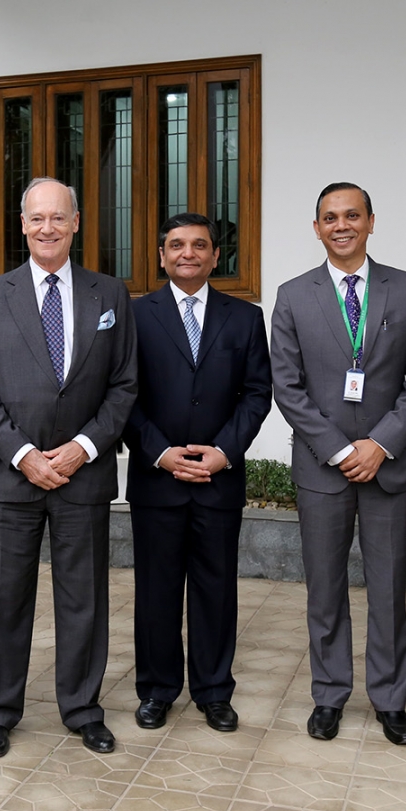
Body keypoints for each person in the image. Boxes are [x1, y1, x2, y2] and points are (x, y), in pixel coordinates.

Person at [0, 177, 138, 758]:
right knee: (4, 600)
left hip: (82, 474)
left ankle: (83, 708)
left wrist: (83, 447)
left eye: (58, 217)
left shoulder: (110, 294)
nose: (47, 227)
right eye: (37, 218)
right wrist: (23, 454)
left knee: (83, 597)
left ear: (77, 222)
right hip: (14, 474)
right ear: (21, 224)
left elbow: (123, 385)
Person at [270, 182, 406, 746]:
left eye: (352, 215)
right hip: (323, 468)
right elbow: (287, 388)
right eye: (329, 217)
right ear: (316, 228)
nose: (341, 225)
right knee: (325, 586)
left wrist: (380, 443)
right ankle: (329, 694)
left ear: (370, 222)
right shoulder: (293, 295)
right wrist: (342, 450)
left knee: (389, 587)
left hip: (388, 467)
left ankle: (390, 699)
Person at [124, 213, 272, 732]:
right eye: (176, 245)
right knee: (156, 591)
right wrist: (160, 453)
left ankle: (214, 691)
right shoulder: (134, 315)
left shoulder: (245, 318)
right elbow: (124, 395)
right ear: (161, 256)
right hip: (156, 479)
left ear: (215, 256)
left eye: (199, 245)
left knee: (216, 589)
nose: (188, 253)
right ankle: (157, 689)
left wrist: (224, 451)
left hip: (218, 479)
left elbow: (257, 394)